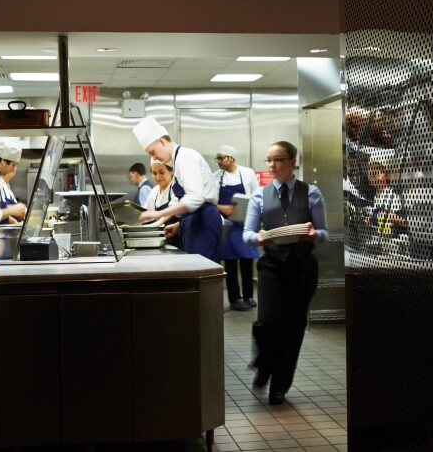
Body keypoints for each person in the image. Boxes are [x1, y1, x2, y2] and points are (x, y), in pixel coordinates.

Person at [242, 140, 328, 405]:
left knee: (293, 326)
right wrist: (259, 239)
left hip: (302, 267)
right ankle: (264, 363)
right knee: (267, 321)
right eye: (269, 160)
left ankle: (279, 385)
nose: (272, 165)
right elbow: (247, 234)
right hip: (272, 265)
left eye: (278, 160)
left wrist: (314, 235)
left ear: (293, 162)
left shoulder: (312, 193)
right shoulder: (259, 195)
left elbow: (324, 232)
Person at [133, 117, 221, 262]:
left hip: (203, 221)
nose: (155, 157)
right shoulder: (179, 160)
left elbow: (196, 198)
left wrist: (158, 213)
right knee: (194, 269)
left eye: (153, 152)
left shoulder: (186, 157)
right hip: (193, 221)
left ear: (161, 141)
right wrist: (178, 225)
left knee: (201, 271)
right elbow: (183, 200)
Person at [213, 145, 260, 311]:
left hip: (246, 224)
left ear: (231, 158)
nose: (218, 161)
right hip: (228, 226)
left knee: (247, 260)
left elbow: (256, 196)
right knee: (230, 263)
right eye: (217, 158)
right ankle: (234, 299)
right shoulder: (216, 178)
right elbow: (211, 201)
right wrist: (223, 208)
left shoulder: (247, 173)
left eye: (221, 157)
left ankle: (249, 296)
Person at [142, 158, 180, 229]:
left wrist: (158, 223)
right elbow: (147, 212)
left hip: (178, 237)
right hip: (161, 236)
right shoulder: (155, 191)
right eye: (154, 173)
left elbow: (174, 208)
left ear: (172, 171)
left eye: (162, 172)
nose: (158, 177)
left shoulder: (176, 187)